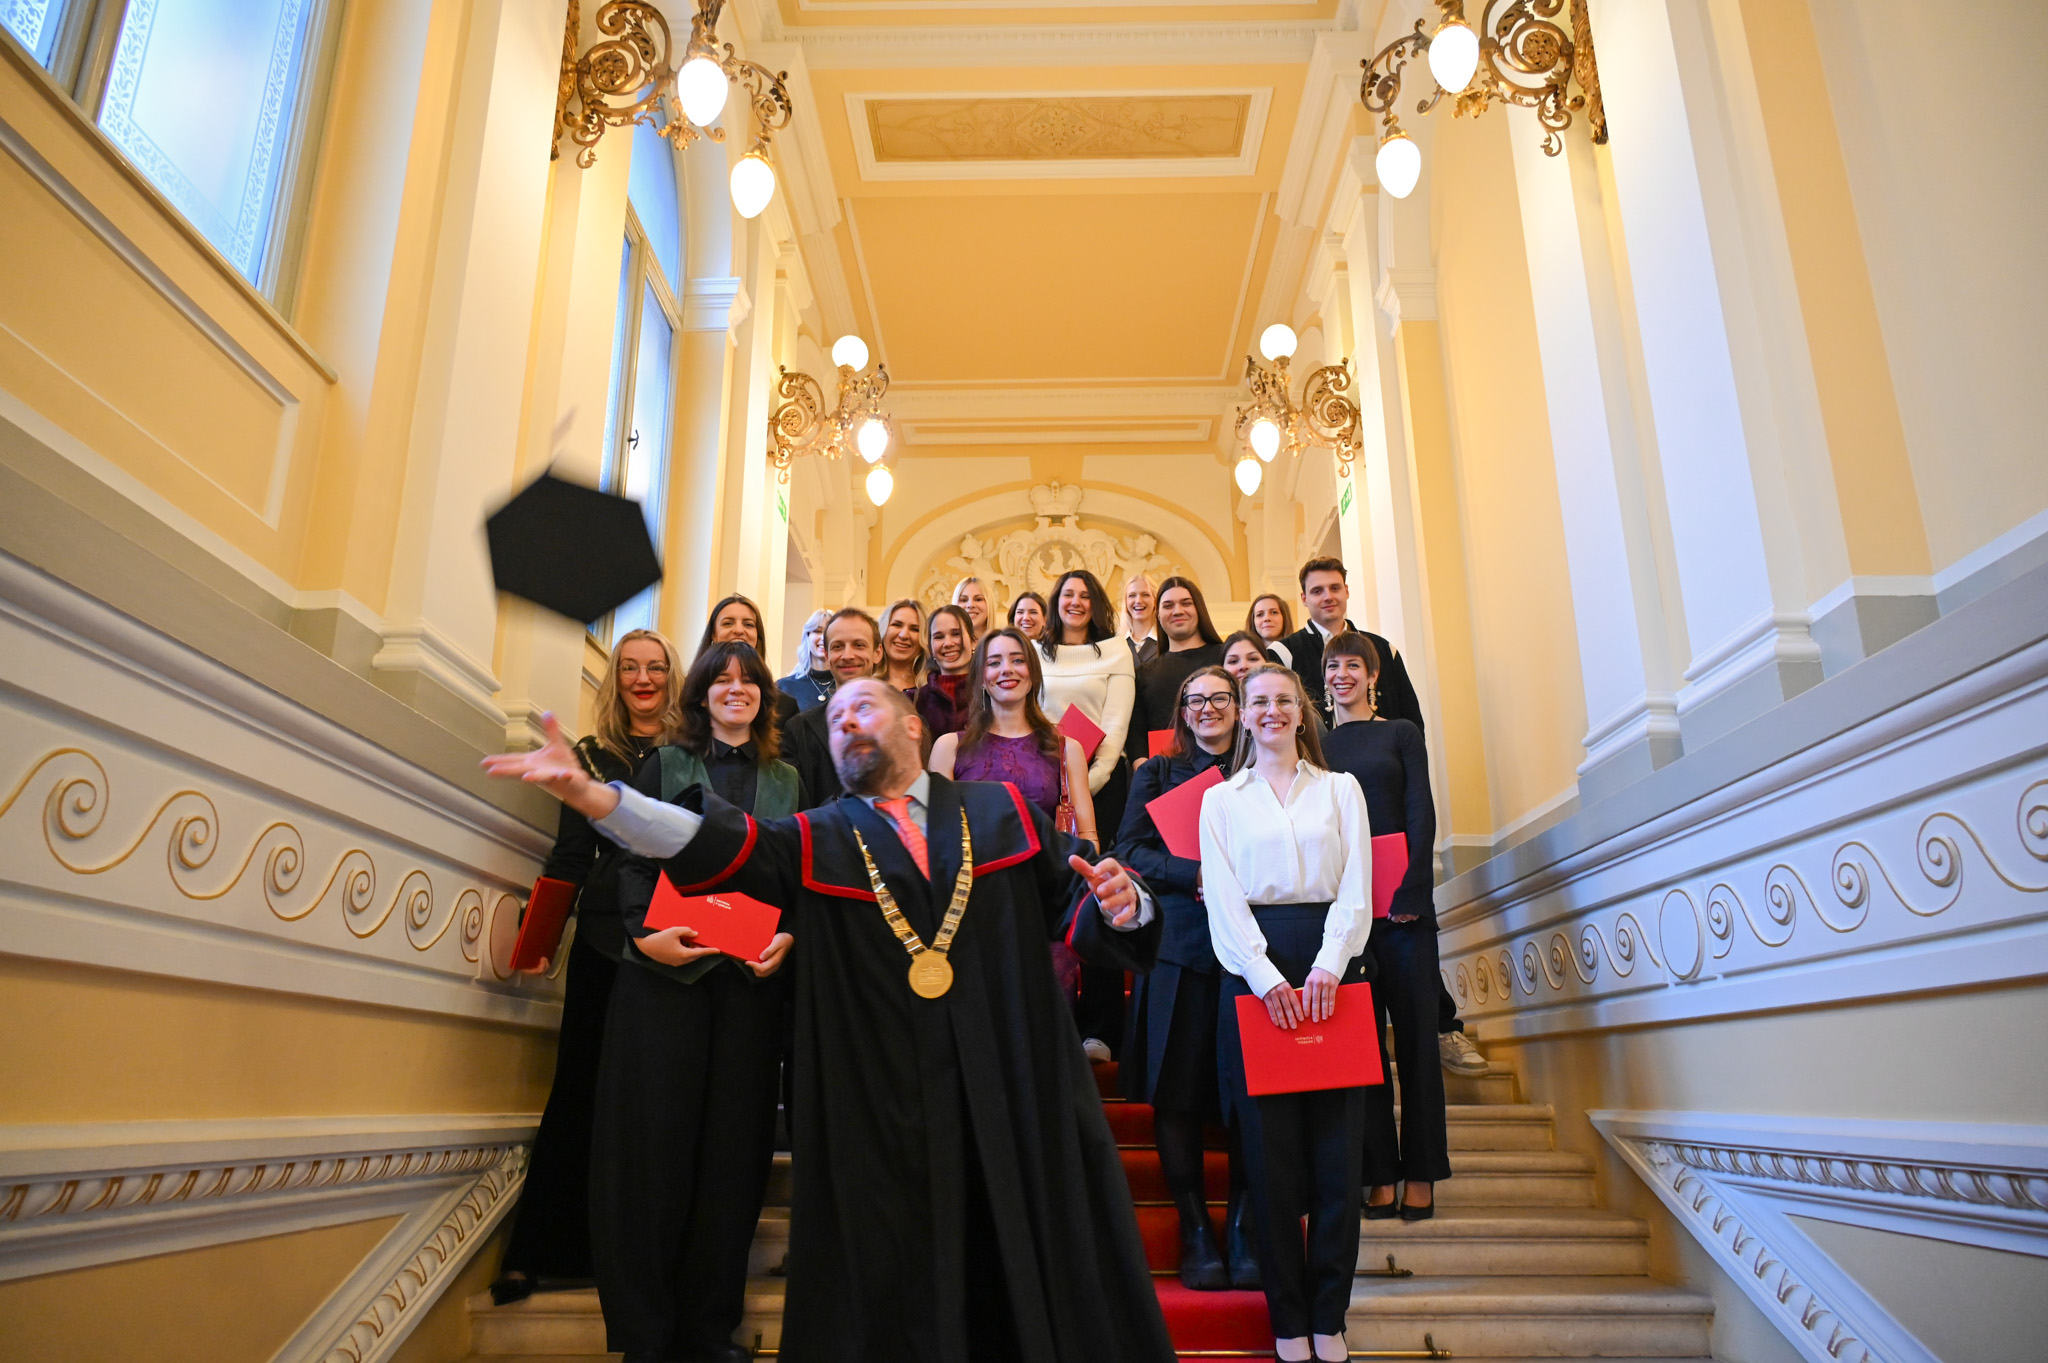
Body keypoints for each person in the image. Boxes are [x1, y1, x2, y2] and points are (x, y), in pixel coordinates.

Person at [483, 680, 1179, 1363]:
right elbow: (708, 840)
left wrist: (1127, 905)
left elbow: (1081, 894)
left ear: (913, 726)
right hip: (879, 1107)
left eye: (863, 706)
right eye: (836, 714)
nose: (844, 721)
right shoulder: (818, 835)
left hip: (1006, 1088)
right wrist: (595, 797)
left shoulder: (1002, 812)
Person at [593, 640, 804, 1363]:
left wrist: (791, 937)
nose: (736, 689)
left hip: (748, 991)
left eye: (749, 681)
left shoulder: (790, 780)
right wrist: (643, 935)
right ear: (702, 694)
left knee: (732, 1162)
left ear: (765, 697)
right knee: (654, 1157)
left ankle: (709, 1331)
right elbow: (629, 858)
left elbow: (799, 878)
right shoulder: (664, 765)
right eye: (722, 680)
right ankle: (646, 1337)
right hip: (665, 982)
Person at [492, 628, 680, 1306]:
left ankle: (635, 1254)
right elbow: (571, 854)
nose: (642, 678)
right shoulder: (590, 756)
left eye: (655, 667)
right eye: (629, 667)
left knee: (650, 1102)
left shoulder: (690, 754)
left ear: (672, 677)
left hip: (671, 941)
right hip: (602, 942)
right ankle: (538, 1250)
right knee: (577, 1091)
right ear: (614, 680)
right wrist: (540, 936)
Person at [1199, 664, 1374, 1363]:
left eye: (1283, 701)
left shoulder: (1341, 789)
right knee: (1269, 1163)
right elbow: (1222, 897)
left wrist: (1330, 963)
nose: (1271, 711)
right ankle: (1289, 1320)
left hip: (1334, 964)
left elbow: (1357, 883)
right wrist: (1266, 975)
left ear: (1302, 712)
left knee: (1337, 1159)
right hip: (1254, 971)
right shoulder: (1221, 800)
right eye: (1258, 702)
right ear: (1242, 716)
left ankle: (1329, 1316)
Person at [1115, 665, 1256, 1292]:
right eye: (1195, 701)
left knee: (1252, 1091)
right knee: (1176, 1091)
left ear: (1239, 707)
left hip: (1255, 951)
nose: (1207, 709)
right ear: (1182, 711)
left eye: (1220, 698)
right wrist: (1192, 874)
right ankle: (1196, 1228)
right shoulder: (1157, 772)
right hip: (1182, 946)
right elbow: (1127, 851)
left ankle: (1246, 1226)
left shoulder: (1261, 768)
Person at [1319, 633, 1449, 1221]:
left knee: (1417, 1042)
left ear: (1373, 676)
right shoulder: (1316, 745)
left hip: (1404, 910)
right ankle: (1379, 1172)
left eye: (1354, 665)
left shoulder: (1400, 732)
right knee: (1363, 1050)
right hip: (1347, 919)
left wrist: (1415, 888)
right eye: (1333, 666)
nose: (1342, 674)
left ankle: (1421, 1170)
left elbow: (1420, 809)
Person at [1038, 568, 1138, 1062]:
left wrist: (1080, 789)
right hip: (1043, 786)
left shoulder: (1116, 651)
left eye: (1084, 595)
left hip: (1103, 788)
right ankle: (1049, 1021)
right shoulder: (1035, 653)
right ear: (1055, 602)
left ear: (1096, 603)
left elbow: (1115, 729)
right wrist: (1057, 787)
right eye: (1067, 594)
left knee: (1101, 901)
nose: (1075, 602)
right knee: (1048, 901)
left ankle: (1099, 1028)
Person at [930, 628, 1096, 843]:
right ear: (981, 679)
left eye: (1018, 660)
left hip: (1048, 864)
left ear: (1033, 673)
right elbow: (939, 837)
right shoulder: (948, 748)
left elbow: (1087, 837)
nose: (1007, 669)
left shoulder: (1067, 750)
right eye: (994, 663)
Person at [1278, 558, 1422, 730]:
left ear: (1346, 591)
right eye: (1317, 591)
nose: (1328, 597)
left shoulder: (1383, 649)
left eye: (1335, 588)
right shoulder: (1284, 653)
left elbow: (1411, 717)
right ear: (1304, 598)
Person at [781, 608, 881, 806]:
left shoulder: (902, 720)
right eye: (837, 647)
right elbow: (796, 804)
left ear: (877, 653)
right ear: (826, 655)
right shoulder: (799, 729)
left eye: (859, 645)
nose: (847, 655)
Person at [1125, 576, 1225, 766]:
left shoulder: (1226, 658)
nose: (1177, 611)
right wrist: (1144, 770)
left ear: (1199, 609)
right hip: (1166, 774)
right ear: (1158, 614)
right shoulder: (1145, 673)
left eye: (1186, 603)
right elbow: (1136, 734)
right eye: (1168, 605)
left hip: (1228, 770)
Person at [700, 592, 801, 731]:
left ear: (757, 637)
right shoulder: (688, 694)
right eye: (728, 623)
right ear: (713, 635)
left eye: (748, 624)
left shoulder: (784, 705)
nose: (739, 630)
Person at [915, 603, 975, 740]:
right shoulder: (918, 700)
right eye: (939, 637)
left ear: (973, 641)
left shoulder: (989, 692)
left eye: (956, 634)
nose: (948, 643)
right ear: (930, 647)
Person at [782, 608, 835, 712]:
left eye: (830, 632)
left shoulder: (849, 686)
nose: (823, 638)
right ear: (807, 637)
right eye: (818, 631)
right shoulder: (784, 687)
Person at [879, 599, 928, 695]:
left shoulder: (934, 687)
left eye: (915, 629)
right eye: (896, 625)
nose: (903, 635)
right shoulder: (863, 682)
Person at [1121, 573, 1162, 667]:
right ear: (1126, 602)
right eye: (1132, 595)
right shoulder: (1116, 643)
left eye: (1145, 595)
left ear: (1155, 601)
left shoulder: (1168, 643)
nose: (1138, 601)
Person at [1246, 593, 1296, 670]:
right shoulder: (1244, 659)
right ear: (1253, 621)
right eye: (1260, 614)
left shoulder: (1299, 651)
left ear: (1284, 617)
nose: (1267, 618)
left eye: (1274, 612)